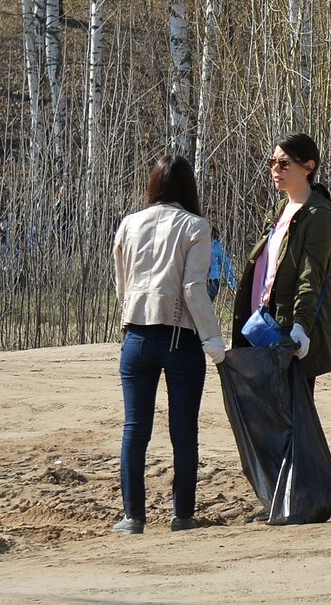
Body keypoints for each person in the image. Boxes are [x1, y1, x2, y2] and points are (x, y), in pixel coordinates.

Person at [111, 155, 226, 536]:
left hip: (137, 333)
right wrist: (213, 338)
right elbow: (194, 288)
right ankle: (182, 514)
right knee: (183, 431)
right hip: (181, 336)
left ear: (153, 185)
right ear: (188, 188)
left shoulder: (129, 223)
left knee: (135, 429)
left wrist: (129, 315)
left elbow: (121, 282)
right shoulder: (196, 226)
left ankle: (132, 517)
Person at [231, 134, 331, 397]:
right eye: (272, 162)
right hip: (264, 323)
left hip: (289, 330)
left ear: (308, 167)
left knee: (292, 416)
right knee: (266, 413)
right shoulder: (281, 208)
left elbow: (310, 275)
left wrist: (301, 325)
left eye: (284, 163)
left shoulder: (319, 215)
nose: (275, 169)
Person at [207, 226, 237, 303]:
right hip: (198, 279)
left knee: (205, 303)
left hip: (213, 280)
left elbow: (226, 265)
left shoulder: (217, 247)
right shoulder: (197, 245)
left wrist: (233, 284)